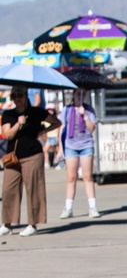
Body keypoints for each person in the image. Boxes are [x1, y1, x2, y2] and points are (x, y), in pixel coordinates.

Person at [0, 85, 61, 237]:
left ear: (25, 96)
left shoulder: (36, 112)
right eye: (13, 96)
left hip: (33, 155)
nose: (16, 99)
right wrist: (19, 124)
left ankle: (32, 224)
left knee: (33, 190)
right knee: (8, 190)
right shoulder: (8, 114)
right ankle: (7, 224)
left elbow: (56, 122)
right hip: (13, 158)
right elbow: (7, 135)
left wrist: (43, 131)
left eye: (19, 96)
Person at [58, 88, 100, 220]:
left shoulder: (89, 109)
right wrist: (60, 148)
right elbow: (62, 128)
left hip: (86, 145)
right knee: (71, 177)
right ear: (73, 95)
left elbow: (92, 127)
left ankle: (92, 207)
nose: (81, 96)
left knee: (88, 176)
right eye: (78, 94)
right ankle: (68, 207)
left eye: (83, 94)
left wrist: (84, 115)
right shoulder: (66, 109)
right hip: (70, 145)